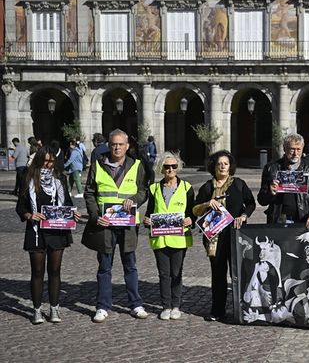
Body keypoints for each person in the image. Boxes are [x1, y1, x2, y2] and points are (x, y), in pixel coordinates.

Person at [82, 129, 149, 323]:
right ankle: (102, 306)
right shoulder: (98, 164)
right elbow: (89, 192)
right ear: (108, 145)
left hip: (128, 224)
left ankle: (136, 304)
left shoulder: (137, 165)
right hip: (105, 224)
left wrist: (134, 199)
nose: (117, 147)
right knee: (104, 267)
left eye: (121, 144)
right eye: (114, 144)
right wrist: (95, 216)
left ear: (127, 146)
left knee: (130, 265)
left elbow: (143, 191)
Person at [15, 146, 81, 324]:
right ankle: (37, 310)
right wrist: (29, 215)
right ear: (39, 160)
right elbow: (20, 206)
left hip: (57, 230)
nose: (49, 164)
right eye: (46, 161)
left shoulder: (60, 179)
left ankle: (54, 308)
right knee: (37, 271)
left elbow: (66, 202)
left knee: (55, 271)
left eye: (52, 161)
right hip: (36, 231)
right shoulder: (28, 178)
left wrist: (72, 213)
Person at [193, 150, 255, 321]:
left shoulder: (238, 184)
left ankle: (241, 310)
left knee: (238, 273)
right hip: (215, 238)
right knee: (218, 274)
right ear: (214, 166)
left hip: (235, 235)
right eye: (219, 163)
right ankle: (217, 310)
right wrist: (207, 203)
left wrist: (244, 216)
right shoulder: (207, 187)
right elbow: (195, 209)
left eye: (225, 163)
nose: (222, 166)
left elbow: (250, 203)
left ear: (230, 167)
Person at [143, 152, 195, 321]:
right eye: (167, 167)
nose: (170, 169)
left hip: (179, 238)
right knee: (163, 273)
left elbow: (193, 212)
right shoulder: (154, 188)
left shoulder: (187, 187)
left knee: (176, 273)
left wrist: (191, 219)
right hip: (160, 238)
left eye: (173, 166)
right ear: (161, 169)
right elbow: (150, 212)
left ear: (178, 168)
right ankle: (166, 306)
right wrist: (146, 220)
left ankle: (176, 305)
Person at [258, 133, 309, 228]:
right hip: (279, 220)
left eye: (298, 149)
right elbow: (262, 200)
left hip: (304, 219)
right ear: (284, 149)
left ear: (303, 149)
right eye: (292, 149)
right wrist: (270, 192)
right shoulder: (271, 168)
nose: (295, 153)